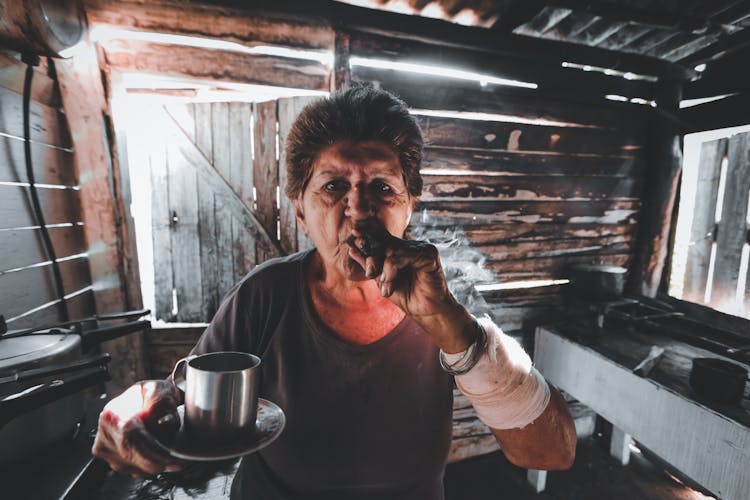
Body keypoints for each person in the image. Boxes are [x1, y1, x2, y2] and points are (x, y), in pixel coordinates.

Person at [93, 84, 576, 499]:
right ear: (300, 212)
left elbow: (552, 452)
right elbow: (180, 400)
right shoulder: (267, 295)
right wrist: (136, 407)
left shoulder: (449, 301)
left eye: (383, 189)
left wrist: (448, 322)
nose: (360, 209)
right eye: (333, 186)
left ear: (410, 206)